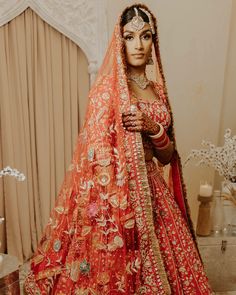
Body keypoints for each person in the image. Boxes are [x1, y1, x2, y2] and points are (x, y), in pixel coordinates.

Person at [25, 4, 212, 294]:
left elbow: (166, 156)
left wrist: (154, 128)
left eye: (146, 36)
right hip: (117, 198)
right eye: (130, 37)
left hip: (155, 195)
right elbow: (96, 157)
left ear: (154, 42)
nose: (138, 44)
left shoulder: (158, 91)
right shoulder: (106, 92)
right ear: (120, 41)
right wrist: (116, 200)